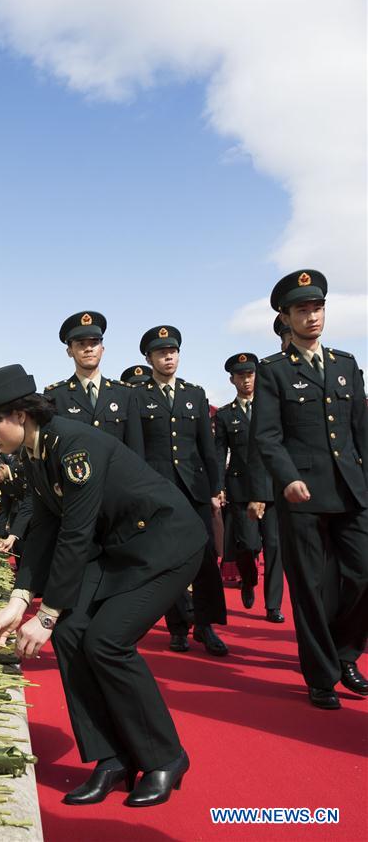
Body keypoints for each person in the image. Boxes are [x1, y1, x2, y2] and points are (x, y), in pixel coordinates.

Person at [0, 365, 205, 807]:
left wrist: (46, 616)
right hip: (119, 546)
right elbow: (43, 528)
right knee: (72, 634)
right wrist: (19, 600)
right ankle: (111, 758)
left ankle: (165, 757)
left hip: (165, 544)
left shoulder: (74, 446)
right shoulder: (35, 453)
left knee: (107, 641)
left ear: (19, 415)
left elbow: (75, 534)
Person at [251, 270, 368, 709]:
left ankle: (345, 653)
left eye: (317, 308)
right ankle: (321, 675)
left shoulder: (345, 364)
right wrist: (287, 477)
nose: (312, 316)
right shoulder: (274, 372)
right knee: (312, 588)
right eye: (302, 310)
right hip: (302, 496)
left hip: (352, 491)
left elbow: (360, 431)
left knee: (362, 573)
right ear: (286, 317)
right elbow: (266, 436)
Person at [133, 326, 228, 656]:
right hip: (159, 490)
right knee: (167, 560)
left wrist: (216, 488)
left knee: (205, 558)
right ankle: (177, 627)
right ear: (149, 359)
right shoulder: (137, 396)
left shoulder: (194, 394)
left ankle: (206, 625)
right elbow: (137, 449)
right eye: (161, 353)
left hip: (195, 488)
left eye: (172, 351)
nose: (168, 357)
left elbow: (207, 447)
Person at [214, 353, 284, 622]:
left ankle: (273, 606)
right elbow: (219, 453)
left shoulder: (272, 409)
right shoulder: (225, 415)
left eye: (250, 374)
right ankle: (248, 578)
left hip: (272, 486)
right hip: (241, 488)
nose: (246, 380)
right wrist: (218, 486)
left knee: (274, 546)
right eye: (240, 376)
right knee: (248, 544)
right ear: (232, 380)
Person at [44, 311, 144, 456]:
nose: (89, 349)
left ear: (102, 349)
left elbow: (136, 450)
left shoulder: (125, 394)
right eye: (81, 344)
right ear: (69, 351)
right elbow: (53, 452)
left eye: (94, 343)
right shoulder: (56, 396)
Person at [0, 452, 32, 556]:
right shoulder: (3, 481)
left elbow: (29, 502)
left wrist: (14, 534)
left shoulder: (23, 470)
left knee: (31, 550)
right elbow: (4, 506)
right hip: (18, 514)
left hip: (34, 515)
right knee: (18, 548)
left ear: (2, 467)